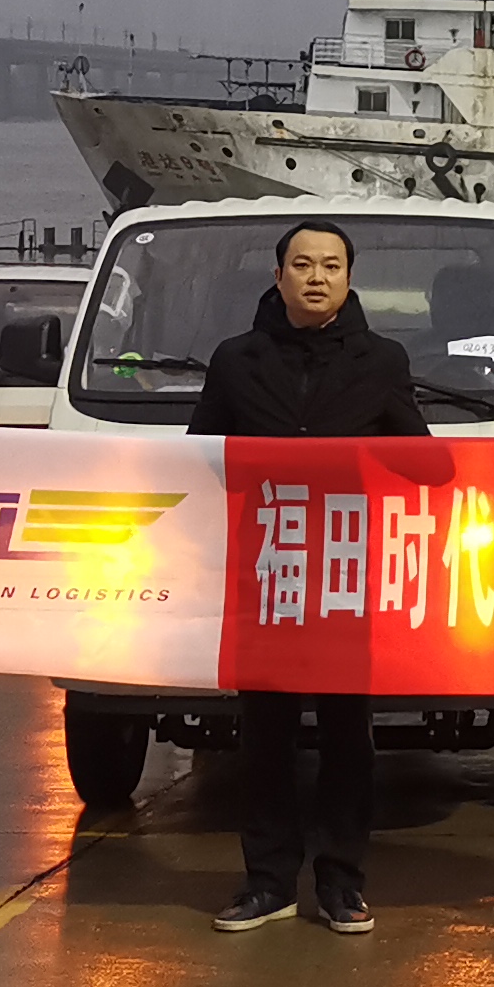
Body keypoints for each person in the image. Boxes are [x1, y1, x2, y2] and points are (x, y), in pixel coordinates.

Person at [190, 221, 428, 935]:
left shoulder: (381, 360)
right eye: (302, 265)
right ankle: (267, 882)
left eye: (330, 265)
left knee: (347, 734)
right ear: (278, 276)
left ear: (349, 279)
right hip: (266, 570)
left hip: (347, 574)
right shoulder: (236, 360)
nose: (316, 277)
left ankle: (342, 882)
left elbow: (418, 461)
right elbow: (201, 456)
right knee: (264, 734)